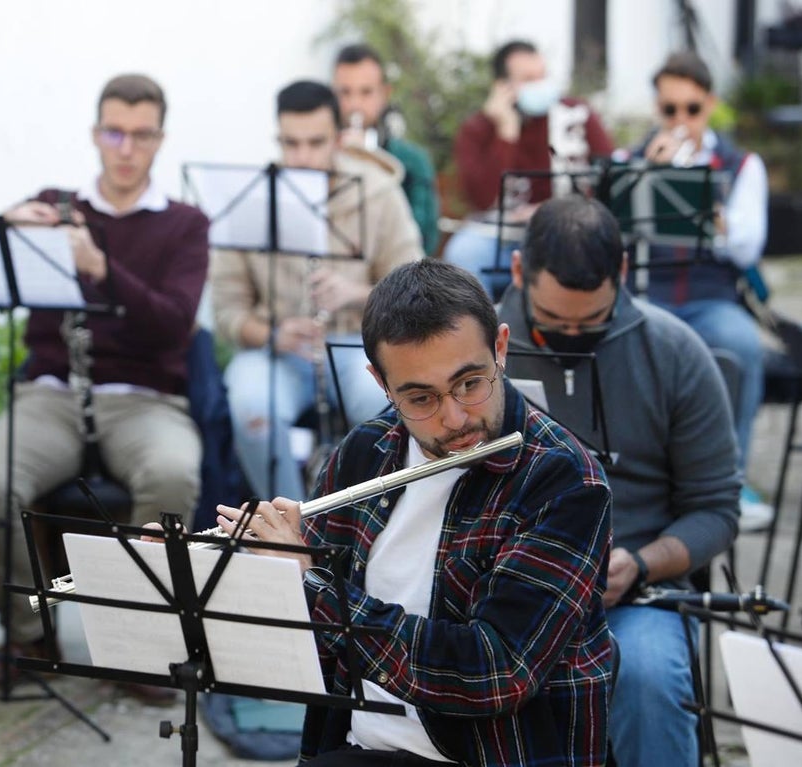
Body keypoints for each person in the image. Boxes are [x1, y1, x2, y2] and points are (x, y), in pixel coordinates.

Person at [218, 259, 614, 766]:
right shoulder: (363, 453)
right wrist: (218, 574)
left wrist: (315, 587)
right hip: (363, 746)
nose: (454, 418)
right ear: (381, 383)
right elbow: (311, 654)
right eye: (421, 397)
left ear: (500, 348)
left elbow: (496, 672)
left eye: (470, 383)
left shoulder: (563, 481)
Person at [0, 73, 209, 701]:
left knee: (174, 475)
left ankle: (140, 647)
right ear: (96, 134)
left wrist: (101, 268)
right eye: (114, 132)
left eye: (141, 135)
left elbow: (173, 324)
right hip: (52, 393)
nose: (126, 148)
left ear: (161, 139)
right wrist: (4, 230)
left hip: (144, 398)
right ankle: (29, 635)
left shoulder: (185, 224)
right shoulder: (56, 204)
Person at [497, 196, 739, 767]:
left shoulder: (676, 351)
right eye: (554, 325)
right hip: (502, 587)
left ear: (623, 273)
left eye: (592, 323)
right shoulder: (479, 352)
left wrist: (643, 563)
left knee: (650, 676)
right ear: (516, 272)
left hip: (633, 593)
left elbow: (717, 509)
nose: (573, 337)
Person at [211, 79, 422, 502]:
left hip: (359, 345)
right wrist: (273, 334)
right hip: (281, 352)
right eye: (290, 143)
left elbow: (417, 285)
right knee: (251, 404)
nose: (302, 157)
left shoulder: (377, 192)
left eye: (314, 143)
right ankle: (291, 530)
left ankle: (363, 523)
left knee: (385, 403)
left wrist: (358, 292)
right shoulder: (253, 200)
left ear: (339, 139)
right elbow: (226, 311)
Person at [628, 50, 771, 531]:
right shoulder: (631, 159)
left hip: (711, 300)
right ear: (658, 110)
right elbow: (610, 236)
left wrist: (701, 200)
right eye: (670, 110)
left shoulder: (741, 164)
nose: (680, 121)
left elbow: (748, 246)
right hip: (647, 295)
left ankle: (729, 482)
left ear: (709, 104)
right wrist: (645, 179)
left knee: (743, 344)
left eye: (691, 109)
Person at [444, 39, 614, 299]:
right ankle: (484, 336)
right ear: (502, 87)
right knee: (463, 252)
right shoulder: (478, 129)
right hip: (504, 237)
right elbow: (482, 198)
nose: (540, 86)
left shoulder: (577, 116)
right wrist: (506, 133)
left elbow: (610, 178)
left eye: (542, 76)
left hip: (568, 232)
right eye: (529, 79)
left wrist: (553, 211)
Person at [333, 43, 441, 254]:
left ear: (385, 94)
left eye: (366, 92)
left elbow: (425, 237)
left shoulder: (412, 161)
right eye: (345, 93)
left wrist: (370, 160)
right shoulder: (318, 155)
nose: (354, 104)